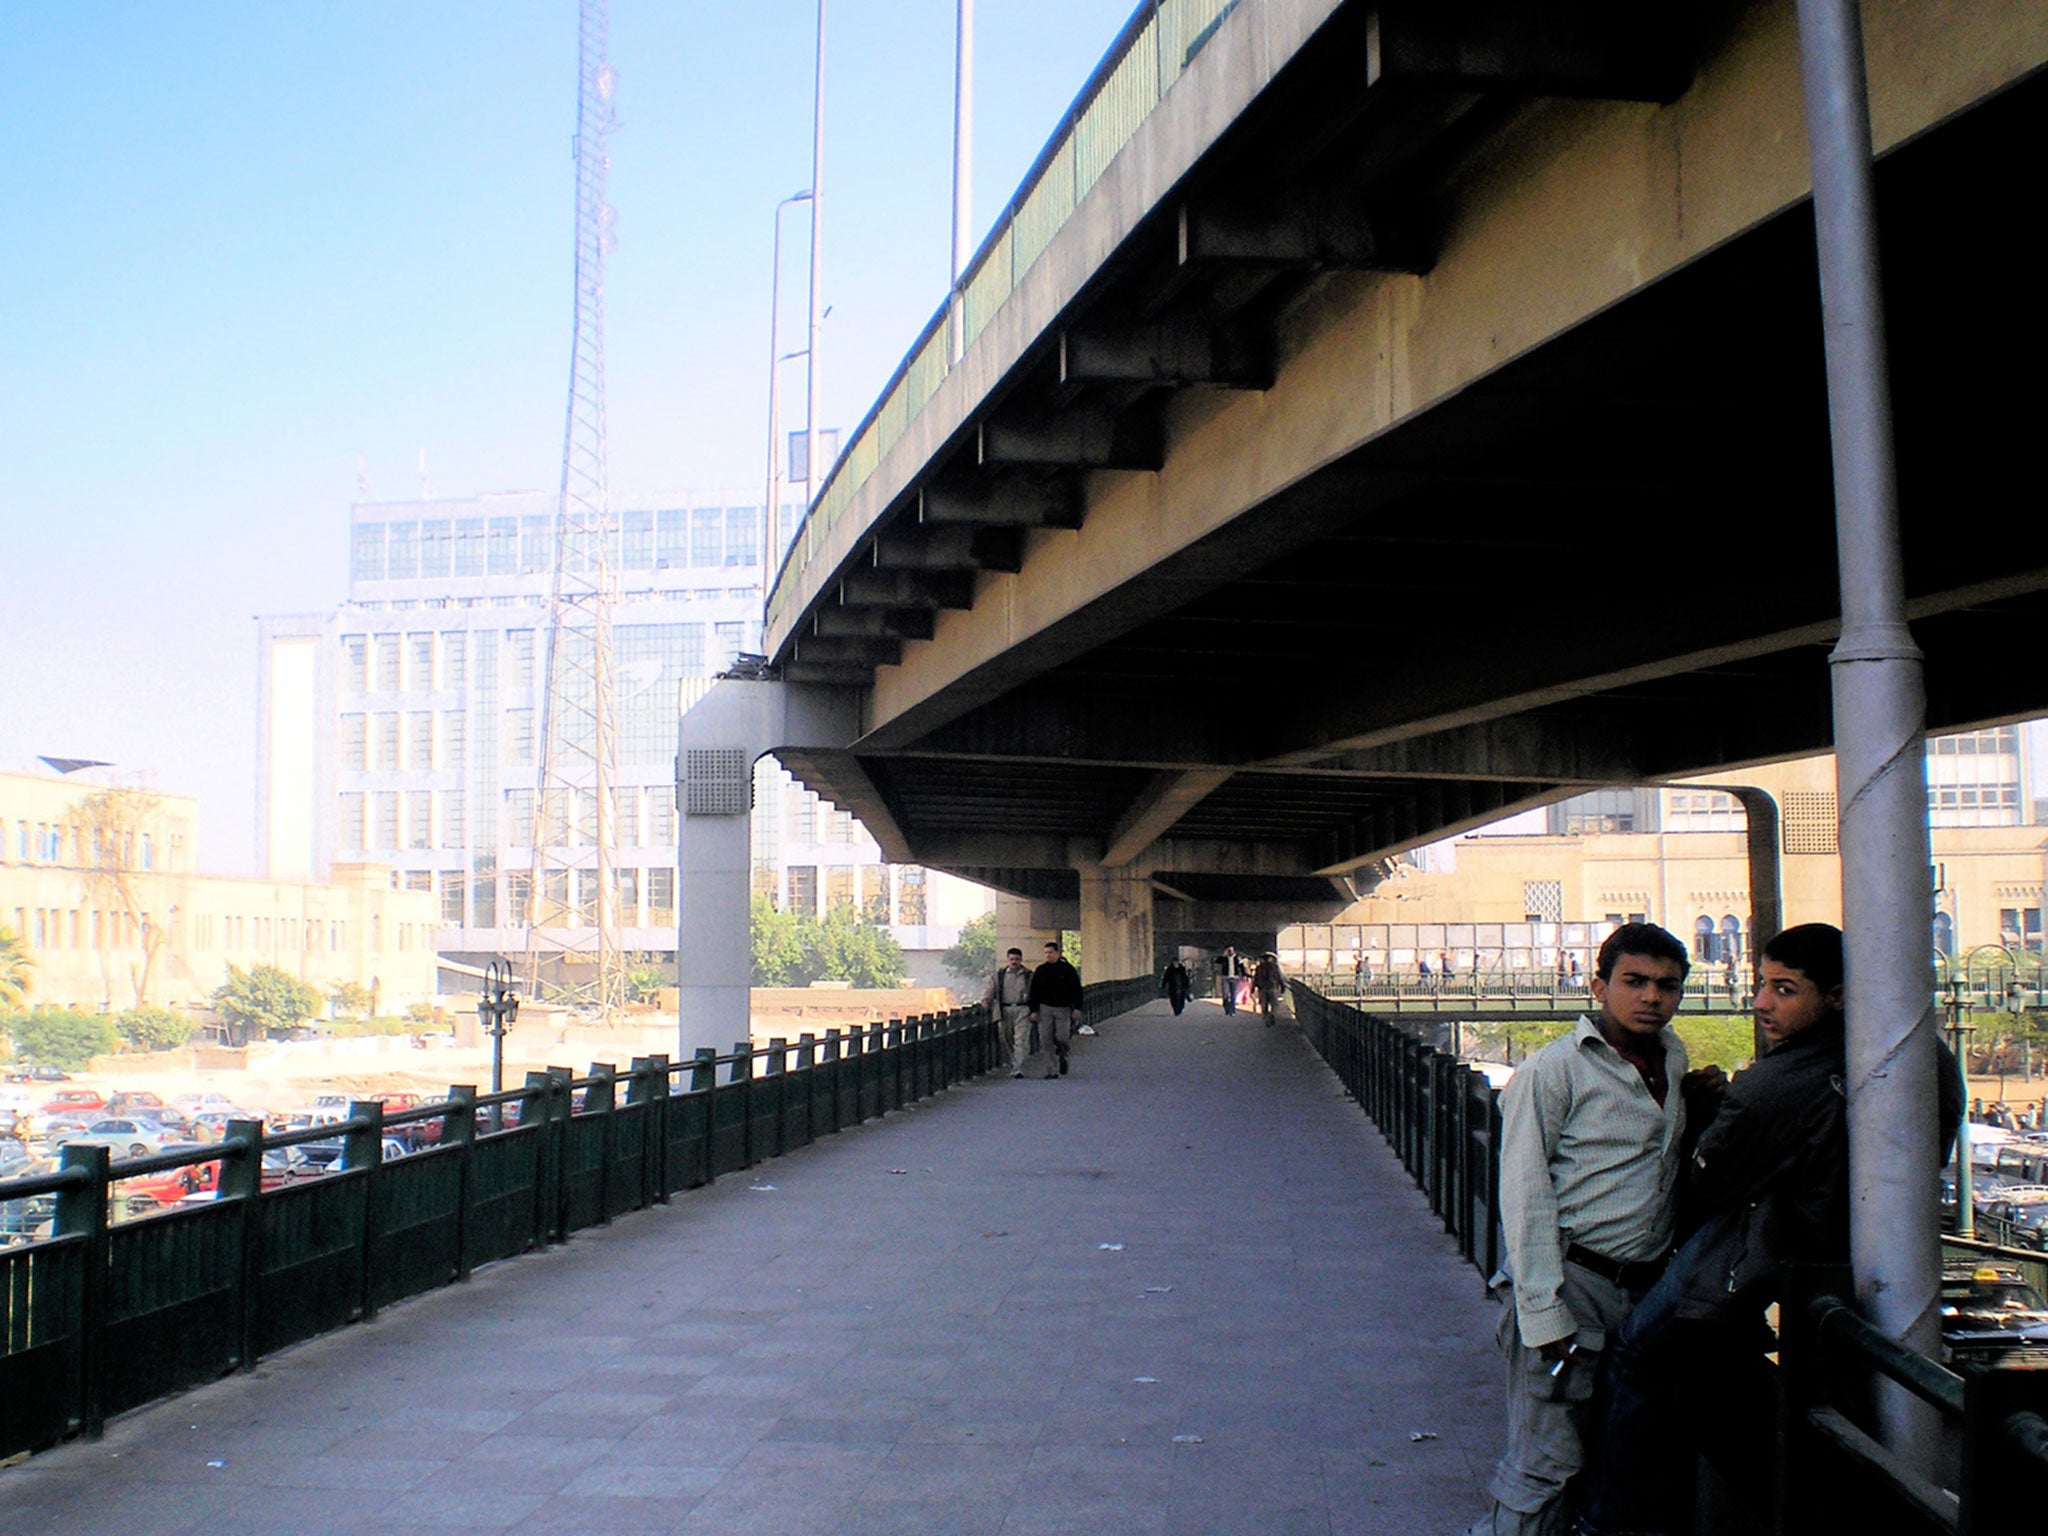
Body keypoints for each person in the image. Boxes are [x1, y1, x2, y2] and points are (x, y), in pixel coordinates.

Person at [1571, 923, 1961, 1536]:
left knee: (1640, 1349)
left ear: (1834, 997)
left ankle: (1609, 1521)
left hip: (1768, 1258)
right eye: (1761, 986)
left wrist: (1709, 1116)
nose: (1761, 1003)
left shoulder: (1774, 1084)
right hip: (1859, 1266)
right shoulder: (1924, 1055)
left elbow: (1710, 1180)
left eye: (1784, 990)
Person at [1467, 923, 1699, 1536]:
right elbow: (1524, 1197)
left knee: (1615, 1463)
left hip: (1642, 1292)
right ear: (1599, 986)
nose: (1651, 996)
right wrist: (1543, 1315)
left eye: (1667, 985)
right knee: (1546, 1465)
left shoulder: (1673, 1059)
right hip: (1571, 1285)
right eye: (1634, 982)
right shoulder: (1553, 1071)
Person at [1028, 940, 1083, 1079]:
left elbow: (1077, 990)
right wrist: (1033, 1010)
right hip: (1045, 1008)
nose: (1048, 955)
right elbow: (1033, 991)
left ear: (1057, 953)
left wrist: (1077, 1008)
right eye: (1046, 953)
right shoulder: (1040, 970)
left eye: (1050, 952)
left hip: (1063, 1008)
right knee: (1045, 1039)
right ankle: (1051, 1070)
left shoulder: (1068, 969)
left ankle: (1063, 1055)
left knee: (1062, 1037)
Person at [985, 948, 1034, 1078]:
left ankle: (1018, 1068)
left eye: (1017, 959)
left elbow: (1036, 993)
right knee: (1005, 1038)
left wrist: (1035, 1010)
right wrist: (985, 1001)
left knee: (1021, 1040)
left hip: (1023, 1009)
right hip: (1004, 1010)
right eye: (1012, 959)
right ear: (1008, 960)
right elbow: (991, 989)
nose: (1014, 962)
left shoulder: (1028, 975)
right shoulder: (1000, 975)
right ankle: (1011, 1063)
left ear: (1021, 960)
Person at [1252, 951, 1284, 1027]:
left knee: (1264, 1005)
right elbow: (1279, 977)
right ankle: (1272, 1014)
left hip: (1262, 988)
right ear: (1270, 959)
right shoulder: (1275, 967)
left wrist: (1253, 988)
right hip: (1273, 987)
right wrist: (1282, 986)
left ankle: (1266, 1018)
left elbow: (1255, 978)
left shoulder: (1259, 967)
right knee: (1274, 1004)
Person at [1215, 947, 1239, 1014]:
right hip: (1226, 977)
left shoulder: (1237, 958)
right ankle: (1227, 1007)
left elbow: (1241, 966)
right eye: (1228, 951)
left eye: (1231, 950)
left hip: (1235, 978)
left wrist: (1245, 975)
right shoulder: (1224, 958)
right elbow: (1217, 961)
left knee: (1233, 995)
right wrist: (1223, 955)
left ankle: (1232, 1010)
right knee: (1225, 994)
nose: (1230, 952)